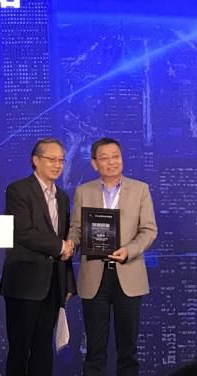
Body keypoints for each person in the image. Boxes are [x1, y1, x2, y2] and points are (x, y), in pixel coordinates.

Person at [68, 137, 158, 376]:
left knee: (128, 350)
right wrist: (70, 243)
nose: (112, 162)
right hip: (94, 277)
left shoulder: (140, 190)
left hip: (128, 274)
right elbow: (76, 229)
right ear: (94, 163)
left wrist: (129, 250)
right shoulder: (83, 191)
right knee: (94, 349)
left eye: (116, 156)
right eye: (105, 158)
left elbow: (149, 230)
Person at [0, 137, 76, 376]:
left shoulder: (62, 197)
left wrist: (68, 282)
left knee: (44, 350)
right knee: (20, 349)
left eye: (61, 160)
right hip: (24, 284)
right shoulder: (18, 190)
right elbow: (23, 232)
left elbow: (65, 239)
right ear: (35, 160)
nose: (57, 165)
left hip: (52, 285)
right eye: (52, 159)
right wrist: (60, 246)